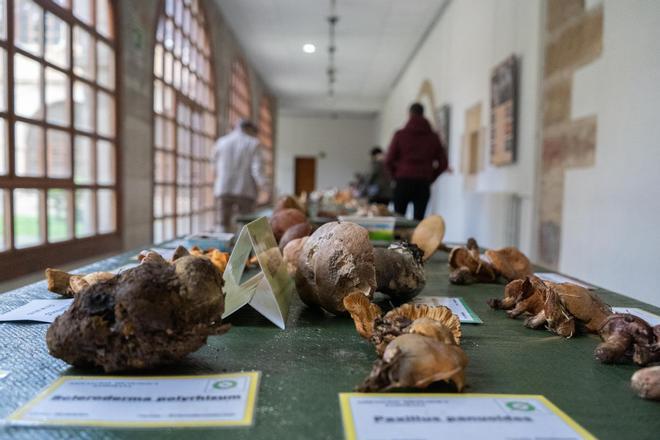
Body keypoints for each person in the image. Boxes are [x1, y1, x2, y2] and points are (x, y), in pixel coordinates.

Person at [385, 102, 448, 220]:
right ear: (423, 114)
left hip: (403, 181)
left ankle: (398, 239)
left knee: (398, 220)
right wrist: (431, 177)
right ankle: (417, 239)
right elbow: (443, 163)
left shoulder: (400, 135)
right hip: (423, 182)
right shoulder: (433, 137)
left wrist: (395, 176)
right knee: (419, 222)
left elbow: (388, 160)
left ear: (409, 114)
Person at [213, 119, 267, 232]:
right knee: (246, 224)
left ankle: (222, 248)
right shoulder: (253, 143)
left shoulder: (222, 141)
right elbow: (257, 170)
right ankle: (243, 248)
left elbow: (213, 164)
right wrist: (266, 188)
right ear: (250, 129)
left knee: (223, 223)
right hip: (245, 190)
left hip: (223, 188)